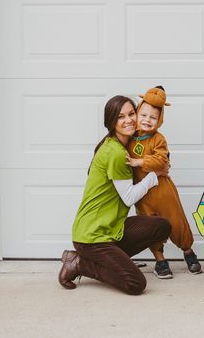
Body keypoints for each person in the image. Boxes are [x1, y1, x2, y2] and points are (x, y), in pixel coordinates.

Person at [58, 95, 172, 295]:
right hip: (92, 237)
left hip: (112, 228)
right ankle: (79, 263)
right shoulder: (116, 152)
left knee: (162, 227)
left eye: (131, 114)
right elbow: (129, 197)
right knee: (136, 284)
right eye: (120, 117)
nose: (128, 120)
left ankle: (112, 261)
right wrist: (155, 175)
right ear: (111, 122)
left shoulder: (125, 145)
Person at [126, 86, 201, 279]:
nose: (147, 120)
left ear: (159, 120)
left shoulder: (158, 139)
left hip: (163, 191)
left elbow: (162, 161)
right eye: (143, 115)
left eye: (153, 117)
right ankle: (160, 261)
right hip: (142, 194)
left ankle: (188, 251)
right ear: (137, 113)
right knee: (150, 226)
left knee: (176, 222)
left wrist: (139, 161)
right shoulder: (129, 137)